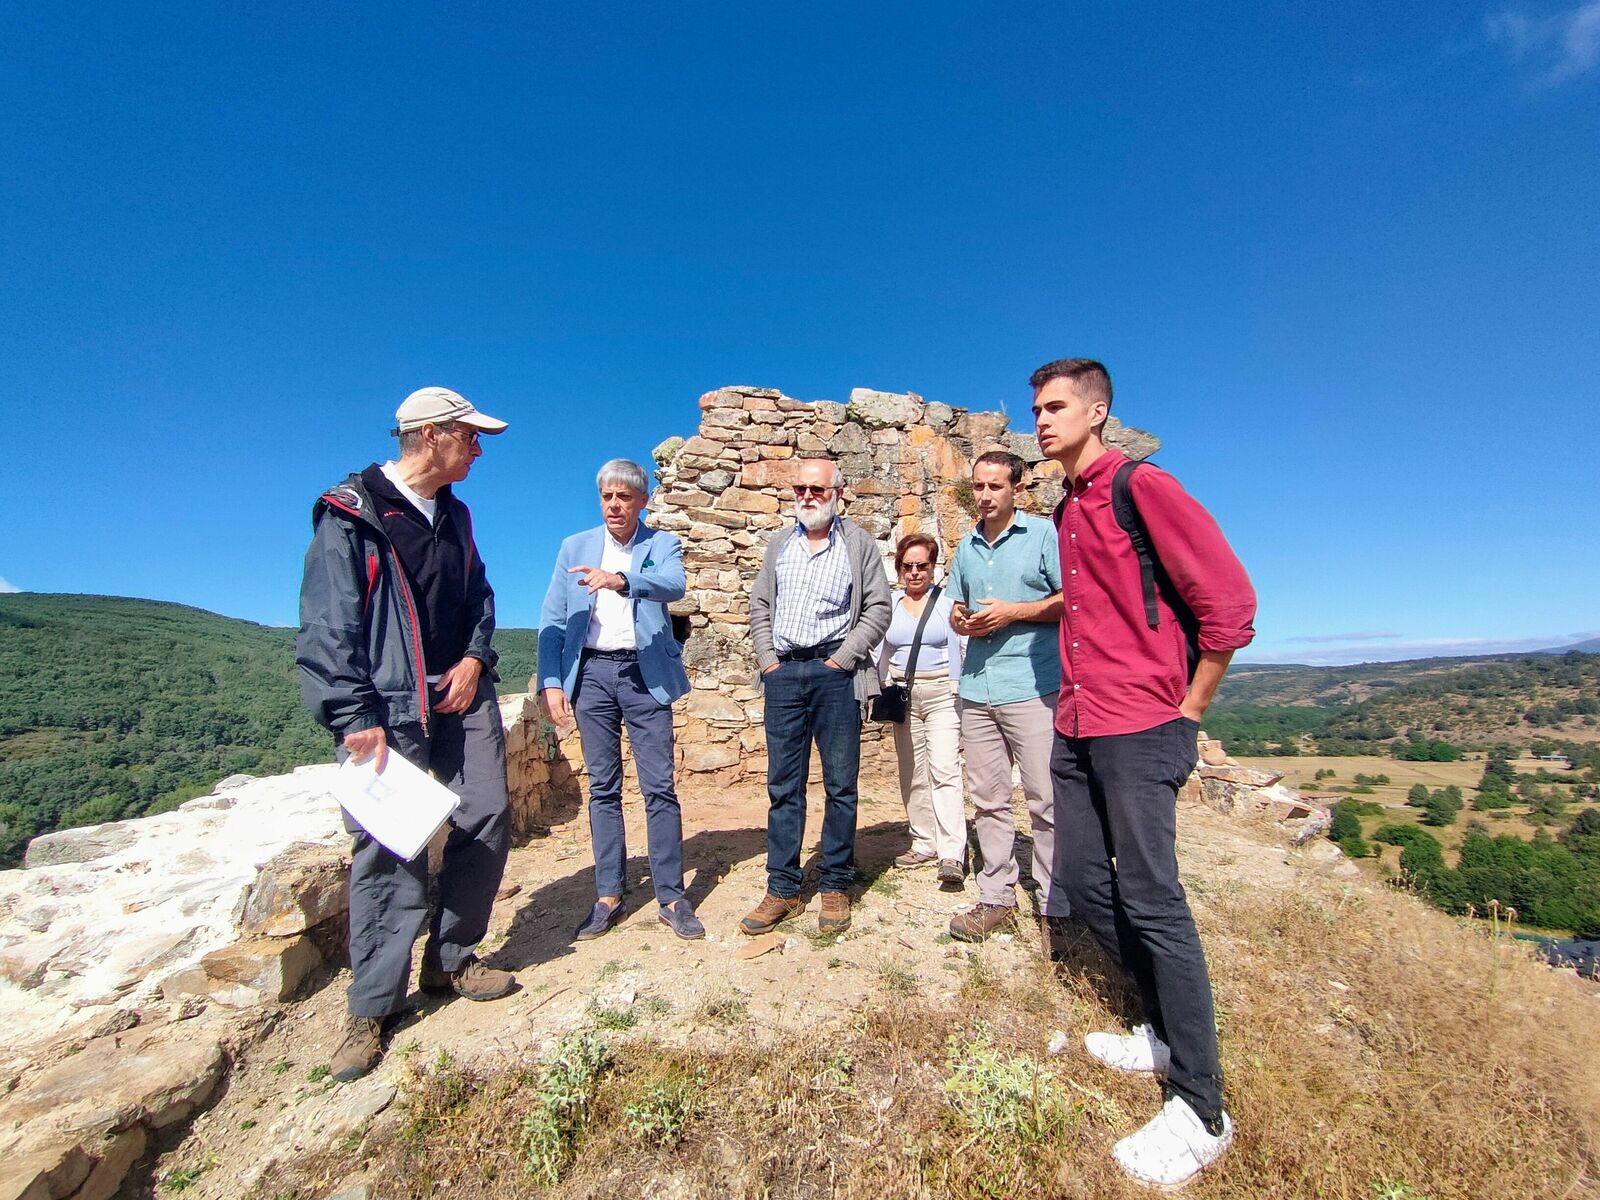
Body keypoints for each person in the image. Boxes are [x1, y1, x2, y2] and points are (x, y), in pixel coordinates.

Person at [1032, 357, 1256, 1188]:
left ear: (1098, 411)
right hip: (1079, 720)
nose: (1042, 420)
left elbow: (1230, 605)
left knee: (1156, 900)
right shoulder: (1066, 507)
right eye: (1037, 408)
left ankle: (1203, 1107)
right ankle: (1158, 1029)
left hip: (1144, 723)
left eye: (1056, 407)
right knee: (1088, 884)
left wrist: (1189, 711)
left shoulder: (1142, 488)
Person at [297, 386, 517, 1084]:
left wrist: (478, 659)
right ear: (429, 435)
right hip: (386, 707)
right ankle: (371, 1007)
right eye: (470, 437)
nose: (478, 450)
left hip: (462, 694)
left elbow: (480, 599)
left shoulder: (456, 516)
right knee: (389, 847)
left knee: (487, 813)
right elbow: (329, 624)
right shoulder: (353, 514)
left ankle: (450, 961)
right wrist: (352, 713)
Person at [537, 459, 703, 942]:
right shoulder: (574, 547)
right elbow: (551, 618)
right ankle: (608, 893)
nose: (614, 504)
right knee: (603, 788)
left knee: (659, 787)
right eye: (607, 495)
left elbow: (675, 585)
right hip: (591, 675)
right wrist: (551, 681)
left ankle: (671, 895)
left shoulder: (661, 544)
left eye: (624, 496)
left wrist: (623, 580)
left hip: (643, 672)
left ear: (641, 501)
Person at [743, 458, 892, 936]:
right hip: (783, 673)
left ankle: (834, 884)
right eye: (800, 489)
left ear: (837, 494)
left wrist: (842, 659)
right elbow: (760, 605)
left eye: (816, 489)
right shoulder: (780, 545)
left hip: (835, 673)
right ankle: (782, 888)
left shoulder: (859, 544)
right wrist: (768, 660)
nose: (807, 496)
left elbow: (878, 607)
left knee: (841, 784)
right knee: (783, 786)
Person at [943, 450, 1066, 944]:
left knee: (1046, 798)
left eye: (995, 486)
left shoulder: (1042, 536)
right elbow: (955, 603)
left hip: (1032, 686)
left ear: (1016, 487)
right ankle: (996, 897)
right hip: (977, 687)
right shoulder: (966, 546)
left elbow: (1068, 600)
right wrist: (958, 618)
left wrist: (1013, 612)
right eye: (978, 487)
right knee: (989, 799)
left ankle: (1059, 902)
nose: (986, 495)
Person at [874, 532, 966, 886]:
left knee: (944, 769)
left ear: (933, 567)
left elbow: (962, 646)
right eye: (908, 566)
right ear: (899, 568)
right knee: (911, 772)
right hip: (904, 694)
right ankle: (924, 841)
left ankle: (951, 852)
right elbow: (879, 650)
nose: (915, 573)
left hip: (942, 692)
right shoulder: (891, 605)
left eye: (922, 566)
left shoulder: (946, 603)